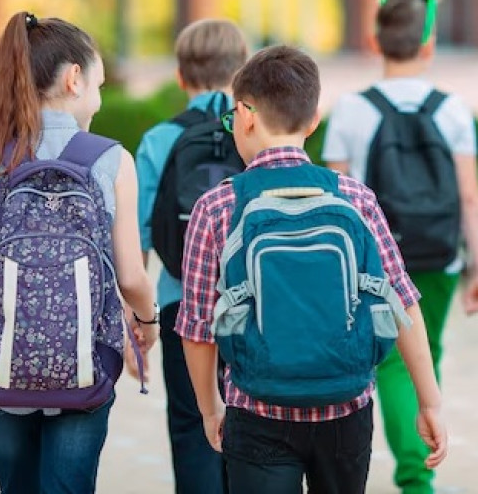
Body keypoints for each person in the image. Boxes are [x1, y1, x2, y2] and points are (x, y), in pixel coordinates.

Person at [176, 45, 448, 493]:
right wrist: (430, 402)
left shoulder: (218, 206)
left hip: (257, 409)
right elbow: (401, 299)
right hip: (346, 408)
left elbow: (198, 327)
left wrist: (210, 408)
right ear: (314, 119)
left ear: (245, 115)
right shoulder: (355, 199)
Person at [0, 12, 158, 494]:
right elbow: (131, 275)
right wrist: (148, 322)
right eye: (98, 84)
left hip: (0, 367)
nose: (99, 97)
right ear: (74, 79)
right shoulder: (111, 160)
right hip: (85, 367)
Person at [322, 0, 478, 494]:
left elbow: (339, 199)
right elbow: (470, 195)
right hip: (440, 253)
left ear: (376, 41)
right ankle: (421, 464)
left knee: (394, 361)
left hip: (378, 259)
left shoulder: (352, 109)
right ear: (429, 45)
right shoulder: (454, 109)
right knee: (428, 349)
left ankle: (416, 474)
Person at [135, 18, 247, 494]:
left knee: (190, 420)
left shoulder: (160, 139)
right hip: (251, 302)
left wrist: (136, 319)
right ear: (243, 70)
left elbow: (137, 234)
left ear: (180, 77)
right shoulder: (255, 128)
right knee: (251, 421)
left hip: (182, 303)